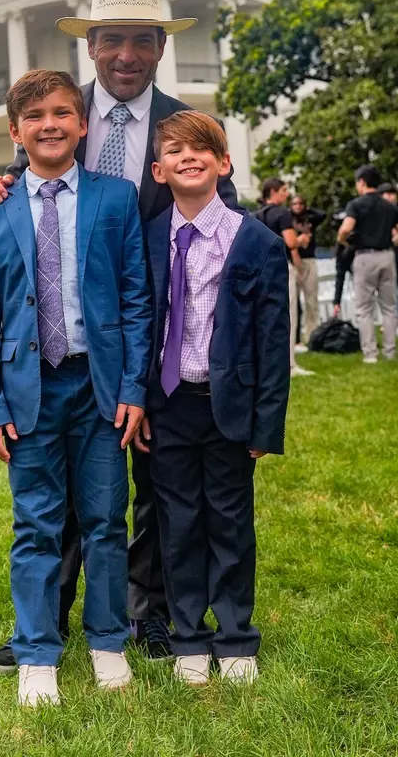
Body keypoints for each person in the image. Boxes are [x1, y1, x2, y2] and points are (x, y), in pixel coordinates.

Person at [0, 0, 239, 674]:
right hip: (73, 340)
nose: (126, 54)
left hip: (163, 340)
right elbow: (34, 184)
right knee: (60, 490)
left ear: (158, 45)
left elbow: (221, 216)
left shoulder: (184, 123)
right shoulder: (62, 112)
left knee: (148, 490)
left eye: (140, 40)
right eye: (112, 39)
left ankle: (145, 615)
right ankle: (48, 624)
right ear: (91, 46)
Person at [0, 68, 152, 707]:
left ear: (81, 123)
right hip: (28, 392)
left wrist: (133, 387)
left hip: (99, 387)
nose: (50, 124)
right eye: (36, 115)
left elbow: (135, 298)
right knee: (36, 523)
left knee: (104, 519)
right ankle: (38, 650)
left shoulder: (116, 197)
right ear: (16, 130)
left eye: (63, 113)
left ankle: (105, 640)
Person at [135, 111, 290, 686]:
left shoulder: (258, 243)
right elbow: (140, 325)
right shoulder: (150, 238)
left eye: (202, 148)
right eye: (174, 150)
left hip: (229, 406)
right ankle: (190, 638)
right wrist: (140, 401)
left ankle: (235, 637)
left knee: (229, 521)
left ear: (224, 163)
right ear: (159, 169)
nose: (188, 156)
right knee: (178, 524)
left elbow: (273, 344)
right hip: (167, 405)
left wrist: (264, 425)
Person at [337, 165, 398, 364]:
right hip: (386, 255)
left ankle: (370, 353)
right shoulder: (390, 206)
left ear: (361, 182)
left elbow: (345, 229)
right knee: (389, 307)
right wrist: (387, 242)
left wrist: (345, 242)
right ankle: (390, 351)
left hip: (364, 257)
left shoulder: (356, 205)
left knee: (364, 308)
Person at [256, 179, 314, 379]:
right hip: (281, 268)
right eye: (283, 190)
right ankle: (289, 364)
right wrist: (301, 239)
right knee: (288, 316)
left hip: (261, 269)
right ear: (273, 192)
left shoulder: (256, 215)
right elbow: (290, 242)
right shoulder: (282, 213)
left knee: (265, 318)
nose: (286, 194)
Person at [290, 195, 326, 350]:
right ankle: (296, 339)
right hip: (293, 261)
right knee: (294, 302)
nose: (297, 206)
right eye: (294, 203)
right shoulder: (287, 218)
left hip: (309, 259)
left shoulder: (310, 218)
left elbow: (322, 215)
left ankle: (312, 336)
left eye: (300, 203)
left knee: (312, 299)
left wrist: (307, 209)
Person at [377, 183, 398, 338]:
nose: (390, 197)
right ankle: (395, 324)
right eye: (386, 194)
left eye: (392, 194)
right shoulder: (379, 212)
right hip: (384, 257)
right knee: (390, 293)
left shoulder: (396, 212)